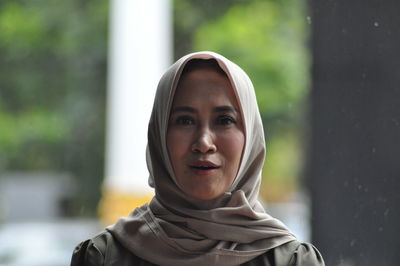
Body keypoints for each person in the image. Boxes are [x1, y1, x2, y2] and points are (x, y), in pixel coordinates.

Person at [71, 51, 325, 266]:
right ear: (159, 135)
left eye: (224, 120)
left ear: (251, 138)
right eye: (184, 120)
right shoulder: (104, 257)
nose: (204, 143)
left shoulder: (290, 261)